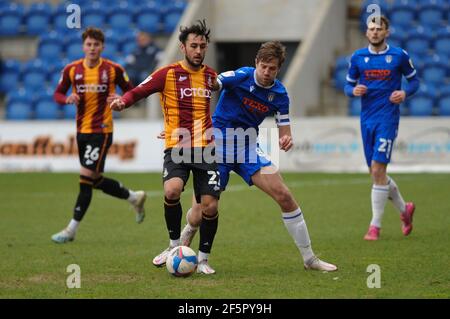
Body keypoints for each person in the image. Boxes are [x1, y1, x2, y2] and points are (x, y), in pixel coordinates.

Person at [175, 41, 338, 272]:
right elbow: (216, 82)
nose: (266, 72)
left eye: (272, 68)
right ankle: (187, 235)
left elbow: (285, 128)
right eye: (263, 66)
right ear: (256, 63)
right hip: (218, 145)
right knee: (200, 212)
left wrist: (285, 139)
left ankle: (309, 259)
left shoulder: (280, 94)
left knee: (284, 195)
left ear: (278, 69)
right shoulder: (240, 76)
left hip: (247, 147)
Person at [110, 20, 221, 274]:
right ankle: (174, 246)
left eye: (202, 46)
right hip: (177, 147)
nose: (198, 50)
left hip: (205, 148)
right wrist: (122, 103)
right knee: (172, 191)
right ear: (182, 47)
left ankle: (203, 259)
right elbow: (139, 91)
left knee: (210, 206)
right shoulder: (167, 73)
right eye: (193, 45)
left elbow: (225, 96)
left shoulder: (211, 76)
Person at [51, 27, 147, 244]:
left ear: (102, 47)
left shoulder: (113, 69)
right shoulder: (71, 70)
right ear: (83, 46)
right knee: (95, 180)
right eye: (89, 44)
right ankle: (134, 197)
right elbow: (57, 93)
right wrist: (66, 99)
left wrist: (120, 97)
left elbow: (133, 92)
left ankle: (71, 230)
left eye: (96, 44)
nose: (92, 48)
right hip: (81, 131)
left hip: (102, 131)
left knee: (85, 180)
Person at [344, 16, 420, 240]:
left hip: (388, 118)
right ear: (366, 33)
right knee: (377, 174)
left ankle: (374, 226)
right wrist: (353, 90)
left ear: (387, 32)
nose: (375, 32)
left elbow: (414, 81)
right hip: (366, 120)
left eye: (379, 29)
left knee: (378, 171)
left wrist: (405, 93)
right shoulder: (358, 57)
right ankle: (405, 210)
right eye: (371, 29)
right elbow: (348, 84)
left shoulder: (399, 55)